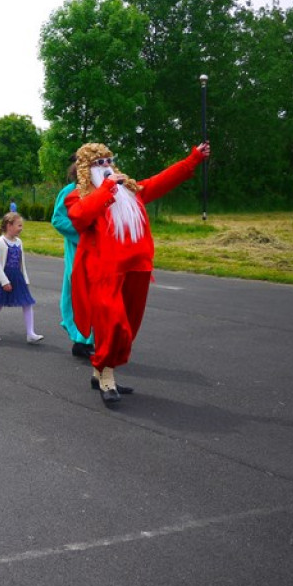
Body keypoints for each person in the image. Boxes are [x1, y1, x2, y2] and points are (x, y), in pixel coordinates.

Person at [66, 141, 211, 405]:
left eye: (109, 161)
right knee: (113, 324)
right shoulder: (79, 196)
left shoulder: (131, 192)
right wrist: (109, 188)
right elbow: (80, 217)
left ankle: (99, 371)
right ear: (87, 168)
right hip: (103, 273)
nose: (107, 167)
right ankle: (106, 375)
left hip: (136, 269)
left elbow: (163, 180)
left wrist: (193, 159)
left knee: (129, 326)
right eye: (100, 164)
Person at [51, 156, 96, 359]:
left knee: (96, 295)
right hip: (78, 250)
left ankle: (90, 338)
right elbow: (58, 219)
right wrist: (83, 234)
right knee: (78, 293)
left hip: (100, 252)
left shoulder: (100, 190)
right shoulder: (69, 191)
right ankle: (80, 339)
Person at [0, 212, 43, 344]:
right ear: (9, 226)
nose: (21, 228)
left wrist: (25, 279)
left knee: (27, 303)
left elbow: (22, 263)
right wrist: (4, 281)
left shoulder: (19, 242)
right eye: (19, 225)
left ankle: (30, 333)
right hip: (2, 279)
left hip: (17, 276)